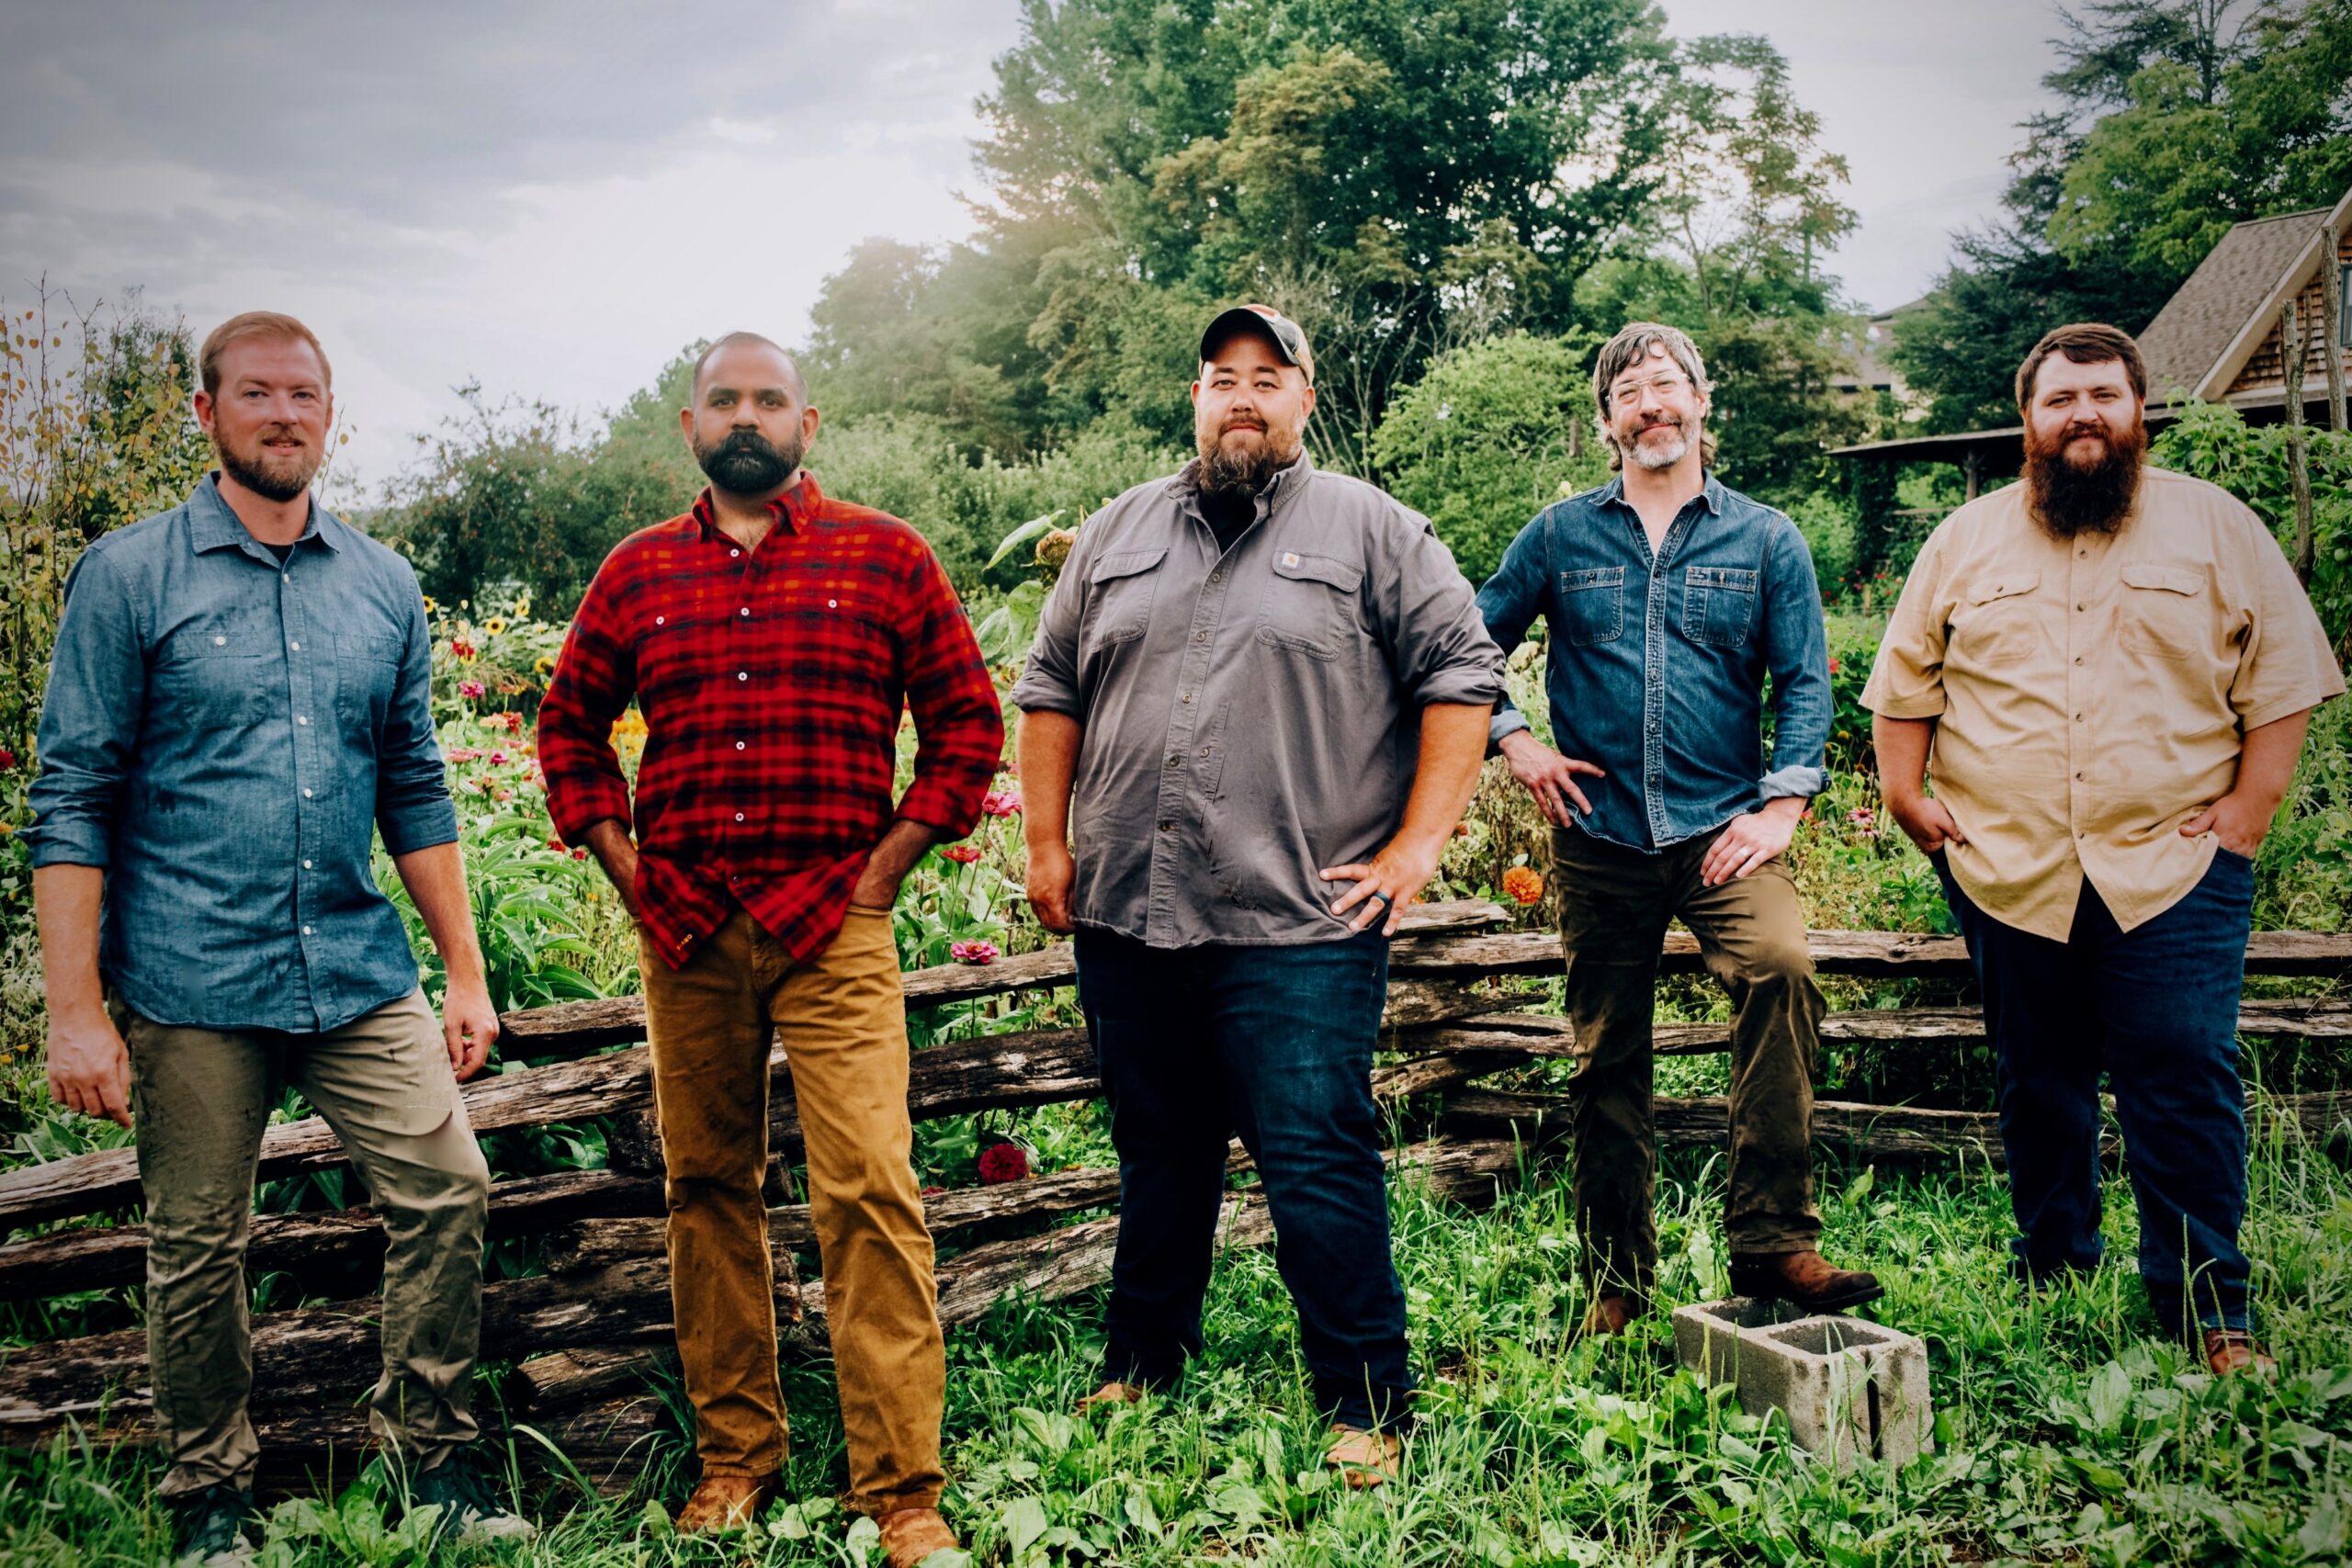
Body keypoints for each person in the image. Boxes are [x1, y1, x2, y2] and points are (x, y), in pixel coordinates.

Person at [25, 311, 527, 1559]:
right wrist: (77, 1008)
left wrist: (461, 969)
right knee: (197, 1241)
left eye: (305, 393)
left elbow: (414, 784)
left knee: (449, 1186)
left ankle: (435, 1459)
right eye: (256, 392)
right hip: (192, 978)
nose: (284, 412)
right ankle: (210, 1495)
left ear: (330, 411)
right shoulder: (130, 574)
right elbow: (71, 793)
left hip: (356, 968)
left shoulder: (383, 582)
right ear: (207, 412)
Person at [1012, 303, 1502, 1485]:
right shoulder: (1117, 530)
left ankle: (1367, 1399)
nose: (1242, 395)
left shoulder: (1376, 532)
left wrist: (1417, 849)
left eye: (1267, 377)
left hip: (1298, 919)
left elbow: (1463, 678)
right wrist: (1044, 842)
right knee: (1158, 1146)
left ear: (1305, 398)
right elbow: (1049, 689)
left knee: (1313, 1151)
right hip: (1132, 904)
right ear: (1194, 397)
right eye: (1220, 377)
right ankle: (1142, 1358)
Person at [537, 333, 1001, 1562]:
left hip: (832, 921)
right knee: (707, 1189)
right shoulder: (636, 574)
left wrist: (884, 872)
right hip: (685, 926)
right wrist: (626, 867)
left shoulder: (886, 554)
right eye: (725, 399)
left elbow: (967, 727)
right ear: (690, 424)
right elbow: (569, 728)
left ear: (810, 420)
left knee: (869, 1189)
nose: (748, 416)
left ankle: (900, 1488)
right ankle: (736, 1457)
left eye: (770, 399)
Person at [1865, 322, 2344, 1375]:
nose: (2083, 414)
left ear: (2138, 411)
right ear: (2026, 422)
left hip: (2172, 866)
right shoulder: (1964, 541)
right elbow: (1904, 687)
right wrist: (1906, 799)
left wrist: (2245, 820)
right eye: (2059, 399)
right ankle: (2055, 1265)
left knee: (2180, 1072)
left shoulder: (2217, 529)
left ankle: (2209, 1309)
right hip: (2006, 865)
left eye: (2103, 396)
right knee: (2038, 1078)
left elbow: (2286, 681)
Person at [1474, 321, 1879, 1337]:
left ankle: (1772, 1240)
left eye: (1667, 386)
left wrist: (1784, 801)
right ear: (1604, 420)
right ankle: (1617, 1280)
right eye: (1628, 392)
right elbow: (1463, 649)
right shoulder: (1560, 535)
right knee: (1606, 1055)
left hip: (1721, 833)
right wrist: (1515, 740)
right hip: (1598, 836)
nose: (1650, 405)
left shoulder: (1765, 538)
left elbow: (1804, 684)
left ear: (1703, 404)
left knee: (1779, 967)